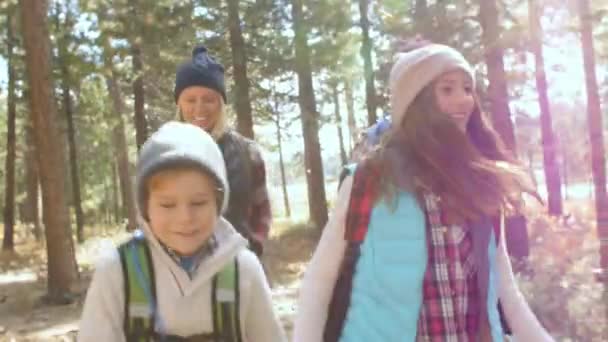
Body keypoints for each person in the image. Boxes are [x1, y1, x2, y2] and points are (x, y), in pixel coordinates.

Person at [293, 44, 553, 341]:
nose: (464, 99)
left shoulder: (482, 184)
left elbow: (506, 291)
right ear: (416, 102)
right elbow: (319, 281)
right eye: (448, 89)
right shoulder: (369, 180)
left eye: (468, 89)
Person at [79, 122, 286, 341]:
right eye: (167, 205)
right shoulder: (117, 271)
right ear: (145, 207)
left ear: (218, 203)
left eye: (198, 203)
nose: (185, 218)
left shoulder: (242, 270)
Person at [174, 45, 270, 256]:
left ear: (221, 103)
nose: (199, 108)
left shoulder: (248, 153)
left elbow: (261, 210)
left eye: (208, 99)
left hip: (238, 272)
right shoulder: (166, 154)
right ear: (179, 104)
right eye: (191, 100)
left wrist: (253, 248)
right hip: (181, 276)